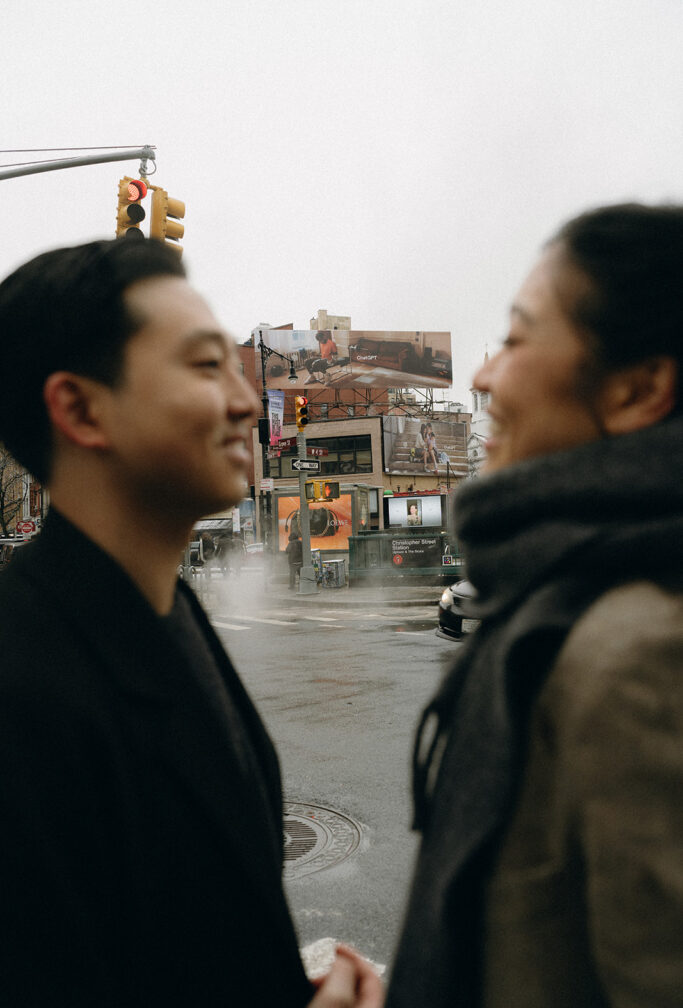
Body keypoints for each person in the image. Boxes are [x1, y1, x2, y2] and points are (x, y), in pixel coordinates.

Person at [0, 239, 383, 1008]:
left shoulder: (164, 610)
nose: (247, 404)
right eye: (206, 367)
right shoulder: (23, 691)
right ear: (79, 408)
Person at [386, 203, 683, 1008]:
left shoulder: (638, 654)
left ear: (637, 389)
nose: (482, 375)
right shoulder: (566, 594)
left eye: (516, 339)